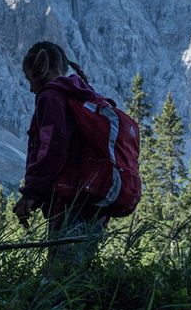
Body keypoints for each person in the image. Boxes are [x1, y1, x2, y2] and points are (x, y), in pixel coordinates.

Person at [12, 41, 124, 266]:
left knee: (60, 274)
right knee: (77, 271)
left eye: (29, 80)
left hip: (70, 201)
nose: (31, 89)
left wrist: (31, 192)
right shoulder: (82, 94)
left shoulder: (51, 96)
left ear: (38, 72)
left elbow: (52, 148)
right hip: (92, 198)